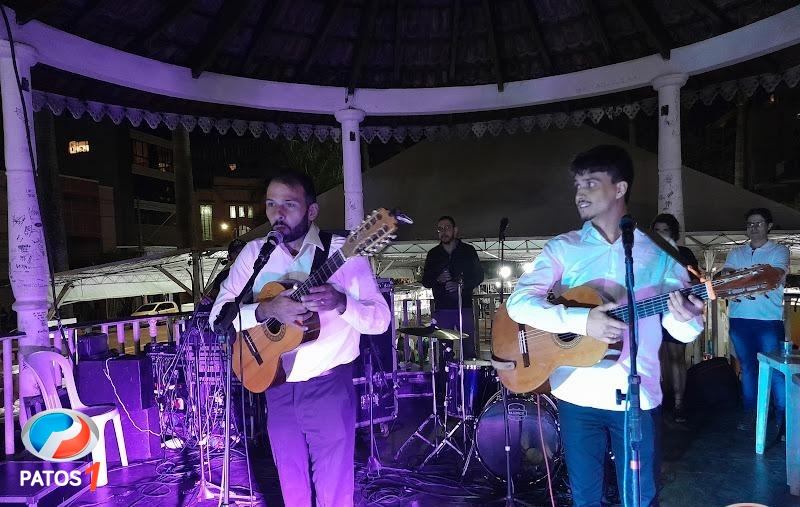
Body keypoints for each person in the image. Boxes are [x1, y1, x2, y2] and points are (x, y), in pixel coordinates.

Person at [506, 145, 704, 506]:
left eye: (591, 183)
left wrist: (685, 316)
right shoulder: (564, 247)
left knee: (641, 497)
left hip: (638, 395)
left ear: (620, 188)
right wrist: (582, 321)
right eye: (577, 185)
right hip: (576, 393)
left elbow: (681, 331)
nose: (579, 193)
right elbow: (518, 303)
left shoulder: (660, 250)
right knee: (585, 497)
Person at [209, 170, 391, 507]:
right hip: (276, 384)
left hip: (328, 385)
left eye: (289, 204)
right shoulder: (253, 254)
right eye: (271, 204)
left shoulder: (345, 252)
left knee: (334, 485)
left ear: (312, 210)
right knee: (290, 481)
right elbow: (218, 317)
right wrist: (266, 310)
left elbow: (381, 320)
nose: (278, 213)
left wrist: (342, 303)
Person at [720, 207, 788, 433]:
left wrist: (739, 280)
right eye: (750, 224)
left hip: (769, 319)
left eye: (758, 223)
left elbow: (772, 277)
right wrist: (752, 278)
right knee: (748, 368)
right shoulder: (736, 252)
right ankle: (752, 414)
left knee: (775, 369)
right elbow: (726, 279)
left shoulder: (779, 250)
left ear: (769, 226)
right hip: (739, 319)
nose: (754, 227)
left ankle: (783, 418)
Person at [650, 213, 700, 424]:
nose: (661, 234)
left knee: (676, 356)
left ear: (674, 233)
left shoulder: (684, 253)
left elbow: (696, 281)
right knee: (657, 356)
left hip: (677, 312)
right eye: (657, 230)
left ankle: (679, 404)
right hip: (651, 313)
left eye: (665, 230)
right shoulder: (646, 253)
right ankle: (663, 399)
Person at [421, 216, 484, 359]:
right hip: (442, 309)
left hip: (464, 308)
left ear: (455, 230)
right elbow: (426, 281)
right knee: (444, 351)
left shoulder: (468, 251)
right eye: (440, 229)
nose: (444, 232)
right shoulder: (433, 254)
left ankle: (468, 374)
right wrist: (438, 279)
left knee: (468, 348)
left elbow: (479, 276)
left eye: (447, 228)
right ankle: (444, 373)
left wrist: (461, 285)